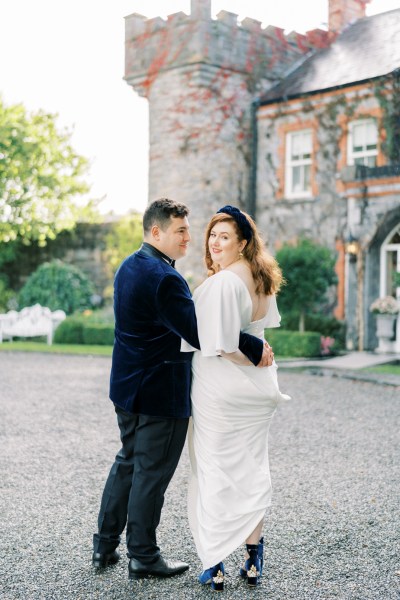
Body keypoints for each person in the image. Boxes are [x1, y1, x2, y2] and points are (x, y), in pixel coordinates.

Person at [92, 198, 275, 581]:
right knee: (151, 474)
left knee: (127, 462)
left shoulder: (129, 266)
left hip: (125, 386)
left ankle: (104, 545)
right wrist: (255, 346)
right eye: (181, 230)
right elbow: (202, 332)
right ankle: (143, 556)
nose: (190, 238)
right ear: (156, 232)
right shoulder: (165, 278)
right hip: (159, 392)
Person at [181, 205, 290, 591]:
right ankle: (254, 557)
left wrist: (242, 351)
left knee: (214, 468)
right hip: (255, 387)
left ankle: (215, 562)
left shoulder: (226, 282)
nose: (214, 242)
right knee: (249, 469)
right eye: (212, 235)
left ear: (243, 242)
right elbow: (260, 335)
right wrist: (255, 354)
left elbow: (221, 344)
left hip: (221, 388)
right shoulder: (261, 278)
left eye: (224, 236)